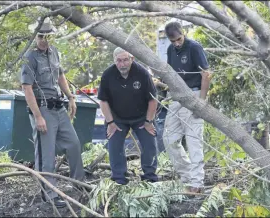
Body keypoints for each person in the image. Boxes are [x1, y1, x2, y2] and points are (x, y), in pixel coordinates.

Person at [20, 17, 84, 208]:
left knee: (74, 145)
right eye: (40, 36)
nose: (43, 40)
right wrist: (38, 116)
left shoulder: (54, 52)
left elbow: (61, 75)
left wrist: (71, 97)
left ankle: (79, 186)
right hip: (43, 109)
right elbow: (26, 88)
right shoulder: (29, 57)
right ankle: (49, 196)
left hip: (59, 107)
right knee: (46, 155)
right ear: (35, 36)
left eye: (47, 36)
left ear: (52, 37)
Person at [162, 21, 211, 194]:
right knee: (169, 139)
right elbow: (172, 74)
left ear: (183, 34)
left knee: (193, 140)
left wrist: (201, 102)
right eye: (173, 41)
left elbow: (206, 74)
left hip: (194, 95)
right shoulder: (170, 50)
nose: (177, 43)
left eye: (179, 39)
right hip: (176, 96)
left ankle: (197, 183)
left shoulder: (194, 47)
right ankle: (187, 177)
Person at [98, 47, 158, 185]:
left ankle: (150, 177)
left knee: (150, 144)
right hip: (117, 117)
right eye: (119, 61)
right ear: (114, 61)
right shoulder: (108, 74)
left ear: (132, 59)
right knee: (114, 144)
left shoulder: (142, 73)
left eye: (125, 60)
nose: (122, 64)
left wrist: (149, 122)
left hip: (142, 117)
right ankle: (119, 179)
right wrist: (111, 123)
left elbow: (153, 99)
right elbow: (103, 100)